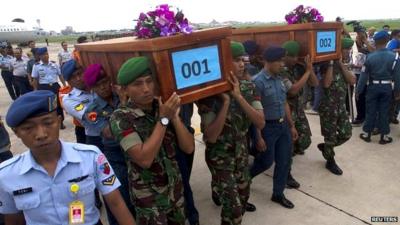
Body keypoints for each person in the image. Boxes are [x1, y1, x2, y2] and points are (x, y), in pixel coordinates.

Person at [0, 90, 136, 225]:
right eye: (29, 128)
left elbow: (116, 203)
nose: (41, 134)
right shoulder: (7, 175)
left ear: (59, 122)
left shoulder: (91, 157)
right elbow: (14, 220)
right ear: (16, 133)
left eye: (48, 123)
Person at [110, 56, 194, 224]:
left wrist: (175, 118)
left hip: (175, 193)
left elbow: (189, 148)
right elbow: (144, 159)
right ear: (125, 90)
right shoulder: (121, 117)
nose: (146, 89)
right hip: (150, 202)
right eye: (138, 84)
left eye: (149, 81)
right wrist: (164, 120)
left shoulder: (163, 107)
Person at [198, 42, 264, 224]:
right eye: (236, 60)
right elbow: (211, 136)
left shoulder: (249, 88)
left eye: (243, 60)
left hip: (241, 150)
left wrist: (238, 97)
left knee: (243, 196)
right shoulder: (209, 95)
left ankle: (217, 188)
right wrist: (225, 103)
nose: (242, 64)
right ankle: (219, 188)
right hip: (219, 155)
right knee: (234, 210)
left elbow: (260, 121)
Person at [82, 63, 135, 224]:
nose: (104, 87)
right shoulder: (91, 111)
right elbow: (111, 132)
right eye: (98, 85)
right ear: (92, 88)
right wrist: (125, 103)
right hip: (115, 158)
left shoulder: (121, 94)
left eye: (105, 82)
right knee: (119, 200)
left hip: (134, 152)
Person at [250, 46, 299, 209]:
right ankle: (244, 179)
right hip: (267, 128)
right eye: (279, 61)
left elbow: (284, 102)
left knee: (284, 161)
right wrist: (258, 136)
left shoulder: (279, 78)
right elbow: (255, 112)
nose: (282, 65)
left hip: (282, 125)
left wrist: (291, 126)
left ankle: (278, 194)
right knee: (265, 162)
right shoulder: (258, 82)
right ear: (269, 62)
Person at [281, 41, 318, 189]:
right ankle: (286, 173)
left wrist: (309, 69)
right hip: (286, 111)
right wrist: (308, 72)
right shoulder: (281, 70)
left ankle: (288, 155)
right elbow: (293, 90)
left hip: (298, 109)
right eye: (293, 57)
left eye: (297, 56)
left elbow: (315, 84)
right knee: (287, 145)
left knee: (305, 140)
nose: (296, 59)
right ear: (286, 56)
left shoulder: (299, 68)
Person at [317, 38, 356, 175]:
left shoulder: (344, 64)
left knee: (347, 133)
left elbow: (352, 80)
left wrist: (340, 63)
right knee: (330, 136)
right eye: (346, 49)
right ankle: (330, 160)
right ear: (339, 50)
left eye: (350, 49)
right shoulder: (326, 65)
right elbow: (326, 84)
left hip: (340, 107)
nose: (349, 51)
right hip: (328, 107)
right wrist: (332, 63)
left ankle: (326, 147)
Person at [357, 31, 400, 144]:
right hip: (386, 87)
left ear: (375, 42)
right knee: (384, 111)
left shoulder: (370, 57)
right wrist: (397, 92)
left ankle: (367, 134)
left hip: (373, 87)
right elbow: (397, 77)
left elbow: (363, 76)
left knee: (371, 110)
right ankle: (384, 136)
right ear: (387, 41)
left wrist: (358, 90)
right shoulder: (394, 57)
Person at [31, 47, 66, 129]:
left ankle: (61, 122)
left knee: (59, 105)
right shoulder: (36, 66)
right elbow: (35, 79)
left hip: (55, 86)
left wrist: (64, 85)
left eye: (46, 54)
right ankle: (51, 122)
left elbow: (60, 75)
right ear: (39, 56)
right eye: (43, 55)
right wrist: (35, 90)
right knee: (49, 106)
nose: (45, 56)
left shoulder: (54, 64)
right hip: (44, 87)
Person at [61, 59, 92, 144]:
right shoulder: (69, 99)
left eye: (79, 73)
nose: (78, 79)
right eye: (73, 77)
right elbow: (92, 117)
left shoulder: (96, 86)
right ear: (68, 82)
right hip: (93, 136)